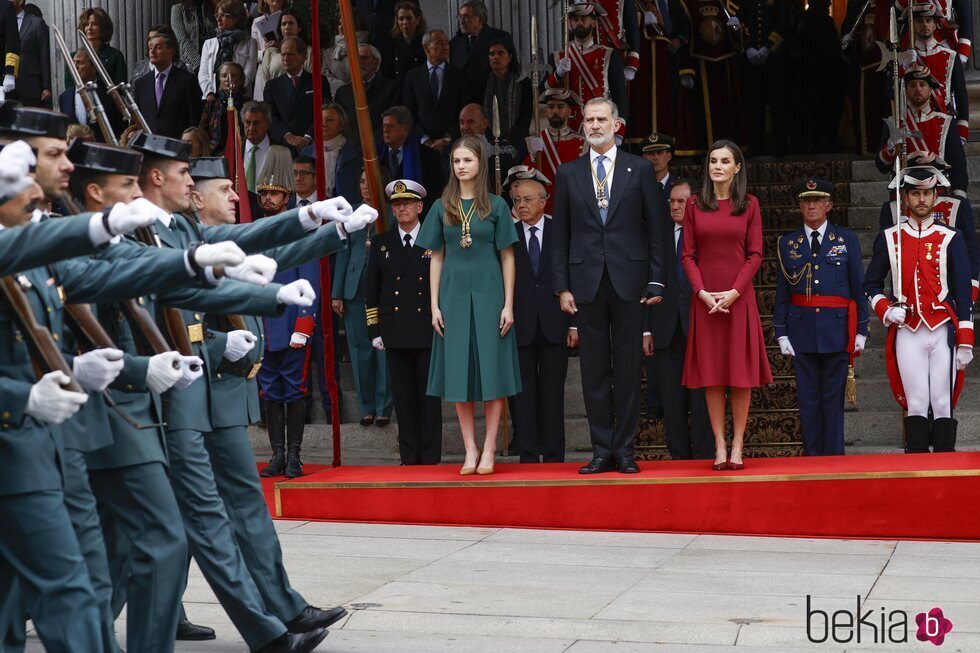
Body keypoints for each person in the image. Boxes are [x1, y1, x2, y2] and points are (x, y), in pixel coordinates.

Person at [551, 97, 667, 475]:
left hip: (631, 281)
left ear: (617, 124)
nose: (595, 125)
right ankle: (602, 449)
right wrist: (561, 286)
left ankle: (626, 449)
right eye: (589, 120)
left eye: (602, 119)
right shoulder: (568, 173)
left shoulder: (639, 169)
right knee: (593, 370)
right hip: (585, 282)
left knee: (630, 368)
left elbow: (657, 229)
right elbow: (560, 236)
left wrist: (655, 278)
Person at [416, 134, 521, 475]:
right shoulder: (440, 205)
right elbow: (435, 257)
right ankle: (470, 448)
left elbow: (507, 257)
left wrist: (509, 304)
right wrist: (434, 305)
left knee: (492, 372)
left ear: (480, 164)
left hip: (490, 294)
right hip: (453, 295)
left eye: (467, 160)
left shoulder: (497, 205)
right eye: (456, 161)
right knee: (458, 374)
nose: (461, 166)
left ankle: (490, 447)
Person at [865, 166, 974, 452]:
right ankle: (916, 469)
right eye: (915, 193)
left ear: (936, 196)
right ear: (905, 197)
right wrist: (886, 309)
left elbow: (963, 290)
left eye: (927, 193)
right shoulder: (890, 236)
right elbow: (870, 284)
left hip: (942, 329)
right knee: (915, 401)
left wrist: (965, 339)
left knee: (942, 401)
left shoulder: (951, 236)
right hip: (908, 329)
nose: (922, 199)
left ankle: (944, 469)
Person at [681, 140, 772, 471]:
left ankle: (738, 443)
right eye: (712, 160)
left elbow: (756, 254)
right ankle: (719, 444)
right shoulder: (694, 205)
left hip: (738, 299)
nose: (717, 166)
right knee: (713, 375)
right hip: (705, 302)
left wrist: (734, 292)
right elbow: (687, 255)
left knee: (739, 375)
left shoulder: (749, 204)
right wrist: (702, 293)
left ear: (737, 168)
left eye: (724, 161)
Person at [774, 178, 869, 456]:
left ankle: (834, 462)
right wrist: (781, 332)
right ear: (799, 205)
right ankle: (813, 463)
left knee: (832, 403)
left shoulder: (845, 238)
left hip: (837, 332)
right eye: (806, 201)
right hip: (802, 331)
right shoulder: (788, 242)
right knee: (808, 402)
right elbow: (782, 292)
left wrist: (861, 331)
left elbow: (857, 286)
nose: (811, 205)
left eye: (817, 200)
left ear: (829, 205)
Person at [365, 178, 443, 464]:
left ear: (420, 206)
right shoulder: (382, 243)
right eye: (397, 204)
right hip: (395, 331)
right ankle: (409, 457)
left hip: (427, 329)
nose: (402, 208)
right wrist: (374, 330)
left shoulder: (434, 240)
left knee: (429, 398)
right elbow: (371, 290)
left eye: (407, 203)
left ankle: (431, 456)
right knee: (404, 399)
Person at [506, 165, 575, 463]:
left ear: (544, 200)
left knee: (552, 395)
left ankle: (555, 456)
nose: (522, 205)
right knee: (523, 397)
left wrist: (575, 323)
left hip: (555, 323)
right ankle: (528, 455)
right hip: (518, 325)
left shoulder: (562, 230)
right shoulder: (506, 235)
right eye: (517, 200)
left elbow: (574, 277)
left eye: (528, 200)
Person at [646, 177, 713, 459]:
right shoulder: (658, 237)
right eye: (671, 201)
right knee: (671, 400)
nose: (675, 206)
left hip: (700, 328)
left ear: (694, 203)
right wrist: (646, 330)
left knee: (701, 399)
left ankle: (704, 456)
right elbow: (647, 282)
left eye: (681, 202)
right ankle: (678, 459)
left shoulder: (707, 236)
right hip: (665, 329)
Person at [332, 169, 394, 428]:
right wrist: (337, 293)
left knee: (383, 349)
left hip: (383, 289)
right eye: (361, 181)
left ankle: (383, 407)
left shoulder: (392, 212)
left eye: (371, 181)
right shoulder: (352, 213)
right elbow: (343, 252)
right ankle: (366, 407)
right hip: (354, 288)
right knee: (359, 349)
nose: (365, 186)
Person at [875, 65, 967, 197]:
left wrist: (959, 196)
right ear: (905, 90)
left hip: (938, 193)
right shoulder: (894, 122)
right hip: (904, 195)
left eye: (922, 84)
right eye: (912, 85)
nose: (917, 89)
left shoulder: (946, 122)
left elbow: (958, 165)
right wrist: (891, 146)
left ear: (930, 90)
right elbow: (881, 166)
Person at [546, 2, 629, 131]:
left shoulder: (609, 55)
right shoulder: (558, 57)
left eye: (583, 18)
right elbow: (543, 91)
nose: (579, 22)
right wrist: (557, 74)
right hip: (570, 126)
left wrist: (620, 130)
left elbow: (620, 97)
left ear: (594, 22)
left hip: (601, 123)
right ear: (569, 24)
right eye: (575, 19)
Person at [908, 3, 970, 143]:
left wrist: (961, 131)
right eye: (920, 21)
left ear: (935, 24)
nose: (924, 24)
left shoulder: (950, 57)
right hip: (914, 124)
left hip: (945, 122)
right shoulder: (904, 58)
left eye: (928, 20)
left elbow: (961, 95)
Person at [402, 29, 469, 154]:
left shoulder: (459, 76)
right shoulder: (413, 76)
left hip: (452, 145)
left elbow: (463, 110)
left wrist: (447, 138)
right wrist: (425, 139)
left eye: (446, 43)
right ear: (426, 48)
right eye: (439, 43)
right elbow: (409, 112)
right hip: (422, 146)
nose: (445, 47)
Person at [523, 88, 587, 215]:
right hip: (544, 210)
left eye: (560, 107)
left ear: (569, 111)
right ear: (546, 110)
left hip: (572, 209)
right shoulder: (537, 141)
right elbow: (525, 179)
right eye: (551, 107)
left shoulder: (582, 143)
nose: (555, 111)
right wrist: (533, 156)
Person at [263, 36, 330, 153]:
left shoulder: (319, 81)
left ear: (303, 56)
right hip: (282, 147)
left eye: (291, 54)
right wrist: (288, 136)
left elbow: (324, 112)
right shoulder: (272, 86)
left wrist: (308, 137)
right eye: (283, 55)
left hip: (312, 145)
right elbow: (270, 117)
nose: (286, 58)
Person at [132, 29, 203, 139]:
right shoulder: (140, 83)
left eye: (158, 47)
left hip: (177, 145)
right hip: (149, 146)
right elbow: (136, 120)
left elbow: (195, 117)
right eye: (150, 48)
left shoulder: (187, 80)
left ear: (171, 51)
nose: (152, 51)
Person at [378, 105, 443, 213]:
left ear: (405, 129)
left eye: (391, 126)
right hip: (385, 219)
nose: (385, 130)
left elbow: (434, 197)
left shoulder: (429, 157)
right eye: (384, 126)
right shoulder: (375, 155)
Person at [450, 1, 514, 103]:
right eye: (460, 16)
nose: (461, 21)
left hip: (491, 98)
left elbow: (512, 69)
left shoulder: (500, 37)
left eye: (466, 17)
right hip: (463, 103)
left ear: (480, 19)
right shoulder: (455, 42)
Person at [57, 48, 125, 140]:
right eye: (73, 62)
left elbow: (119, 129)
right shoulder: (64, 97)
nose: (75, 66)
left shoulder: (110, 95)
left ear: (93, 67)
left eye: (80, 63)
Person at [334, 44, 401, 135]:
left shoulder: (392, 88)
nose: (359, 62)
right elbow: (340, 125)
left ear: (376, 63)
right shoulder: (342, 92)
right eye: (355, 58)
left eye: (364, 58)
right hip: (353, 146)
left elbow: (396, 120)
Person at [484, 37, 532, 163]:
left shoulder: (523, 82)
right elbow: (482, 115)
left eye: (500, 53)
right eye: (492, 54)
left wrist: (510, 138)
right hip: (490, 141)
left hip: (517, 140)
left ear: (510, 57)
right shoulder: (483, 84)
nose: (495, 57)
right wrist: (495, 139)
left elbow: (526, 115)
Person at [199, 0, 258, 100]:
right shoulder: (209, 43)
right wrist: (209, 93)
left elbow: (249, 73)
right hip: (213, 97)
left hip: (240, 98)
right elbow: (203, 73)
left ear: (236, 18)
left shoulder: (250, 43)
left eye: (224, 15)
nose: (218, 19)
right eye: (217, 15)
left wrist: (235, 92)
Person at [253, 9, 310, 100]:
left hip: (302, 99)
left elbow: (310, 79)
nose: (287, 27)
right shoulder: (270, 52)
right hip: (275, 101)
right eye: (283, 24)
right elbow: (265, 81)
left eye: (291, 23)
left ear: (299, 27)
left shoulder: (309, 51)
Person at [66, 7, 125, 87]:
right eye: (86, 25)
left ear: (103, 27)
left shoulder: (115, 56)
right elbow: (69, 88)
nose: (89, 28)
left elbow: (120, 88)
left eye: (94, 24)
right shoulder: (73, 57)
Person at [199, 60, 249, 153]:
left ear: (241, 80)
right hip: (214, 154)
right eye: (224, 75)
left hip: (241, 154)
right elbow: (202, 131)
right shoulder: (212, 104)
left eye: (233, 75)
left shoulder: (248, 105)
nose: (228, 79)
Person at [381, 1, 427, 86]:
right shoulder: (392, 44)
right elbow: (387, 73)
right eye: (401, 19)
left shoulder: (426, 42)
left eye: (409, 18)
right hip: (400, 91)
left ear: (417, 20)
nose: (405, 22)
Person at [13, 0, 49, 107]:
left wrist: (46, 87)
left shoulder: (36, 23)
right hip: (6, 89)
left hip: (30, 88)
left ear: (20, 1)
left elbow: (44, 56)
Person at [323, 18, 368, 96]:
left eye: (344, 24)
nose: (340, 27)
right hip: (338, 97)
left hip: (364, 95)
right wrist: (343, 89)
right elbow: (325, 76)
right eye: (339, 24)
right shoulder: (328, 52)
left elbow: (370, 71)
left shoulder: (368, 49)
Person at [171, 0, 217, 74]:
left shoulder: (212, 7)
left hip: (212, 61)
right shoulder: (178, 9)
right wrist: (198, 64)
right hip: (190, 65)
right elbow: (182, 40)